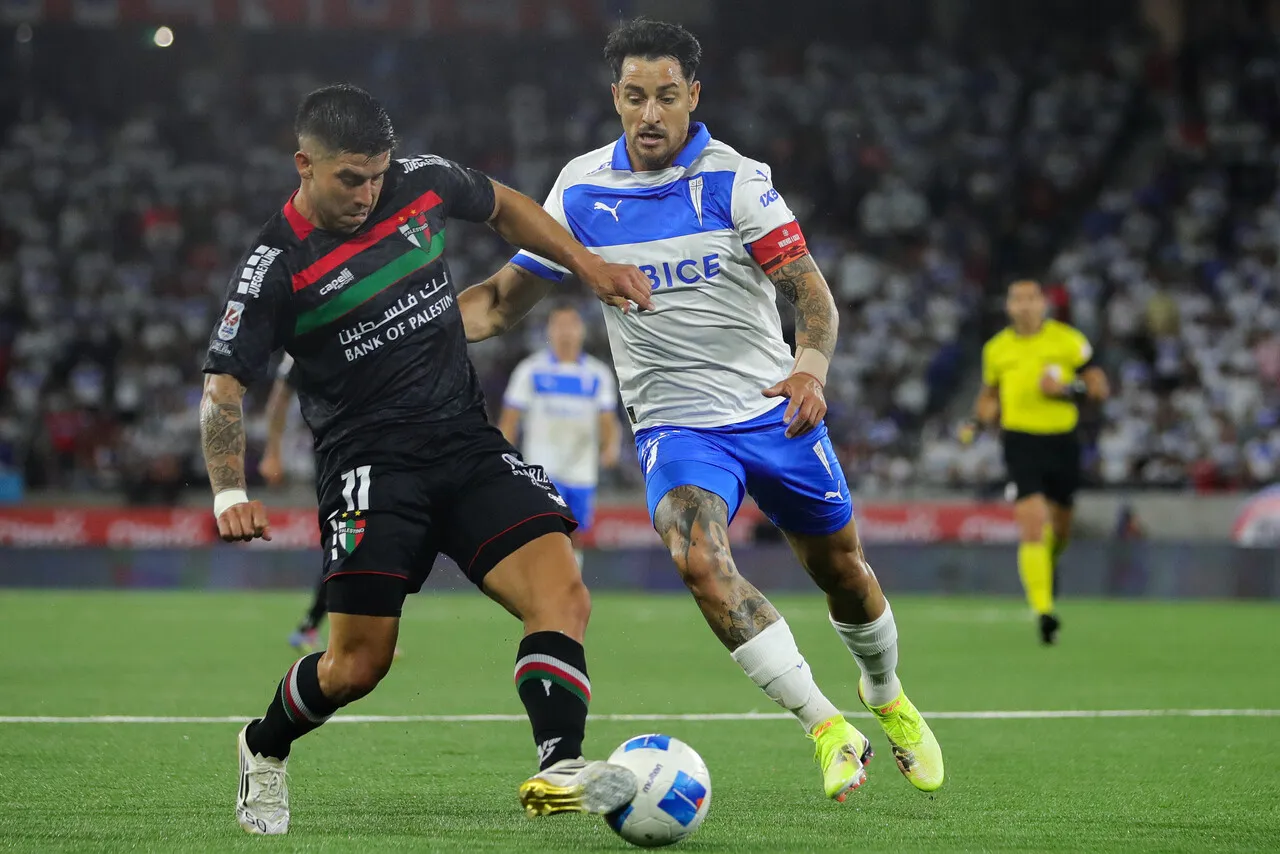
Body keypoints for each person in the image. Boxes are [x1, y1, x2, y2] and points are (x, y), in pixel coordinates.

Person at [459, 18, 944, 800]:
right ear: (614, 97)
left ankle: (885, 695)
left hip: (773, 410)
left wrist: (810, 370)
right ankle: (827, 727)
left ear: (693, 95)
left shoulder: (735, 180)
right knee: (697, 558)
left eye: (666, 96)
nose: (650, 114)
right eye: (634, 97)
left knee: (844, 572)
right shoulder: (580, 190)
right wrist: (405, 325)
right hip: (676, 426)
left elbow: (811, 296)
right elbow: (498, 304)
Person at [200, 83, 653, 836]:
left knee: (563, 595)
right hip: (370, 468)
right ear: (304, 165)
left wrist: (587, 265)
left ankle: (560, 764)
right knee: (357, 666)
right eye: (351, 179)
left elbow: (505, 205)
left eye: (378, 175)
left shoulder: (420, 182)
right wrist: (228, 491)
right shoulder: (274, 266)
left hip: (465, 443)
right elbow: (223, 387)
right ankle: (263, 744)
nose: (368, 194)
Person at [963, 280, 1109, 644]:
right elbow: (989, 395)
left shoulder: (1068, 340)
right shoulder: (997, 349)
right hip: (1020, 442)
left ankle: (1048, 564)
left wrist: (1068, 389)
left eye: (1031, 299)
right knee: (1031, 523)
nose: (1024, 306)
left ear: (1043, 304)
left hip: (1062, 441)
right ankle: (1044, 611)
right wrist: (977, 421)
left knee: (1060, 529)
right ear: (1008, 306)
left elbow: (1099, 388)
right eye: (1017, 299)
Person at [258, 354, 400, 657]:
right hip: (339, 456)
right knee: (349, 540)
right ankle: (316, 628)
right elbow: (280, 397)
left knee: (373, 540)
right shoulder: (308, 341)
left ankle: (363, 627)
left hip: (376, 453)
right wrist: (273, 452)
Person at [499, 303, 621, 566]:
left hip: (581, 469)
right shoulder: (531, 370)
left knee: (575, 532)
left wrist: (610, 446)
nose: (566, 332)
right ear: (549, 331)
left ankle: (571, 579)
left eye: (571, 325)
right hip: (542, 469)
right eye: (559, 325)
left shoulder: (597, 374)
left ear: (582, 331)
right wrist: (507, 459)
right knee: (544, 530)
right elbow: (510, 419)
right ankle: (542, 580)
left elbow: (607, 419)